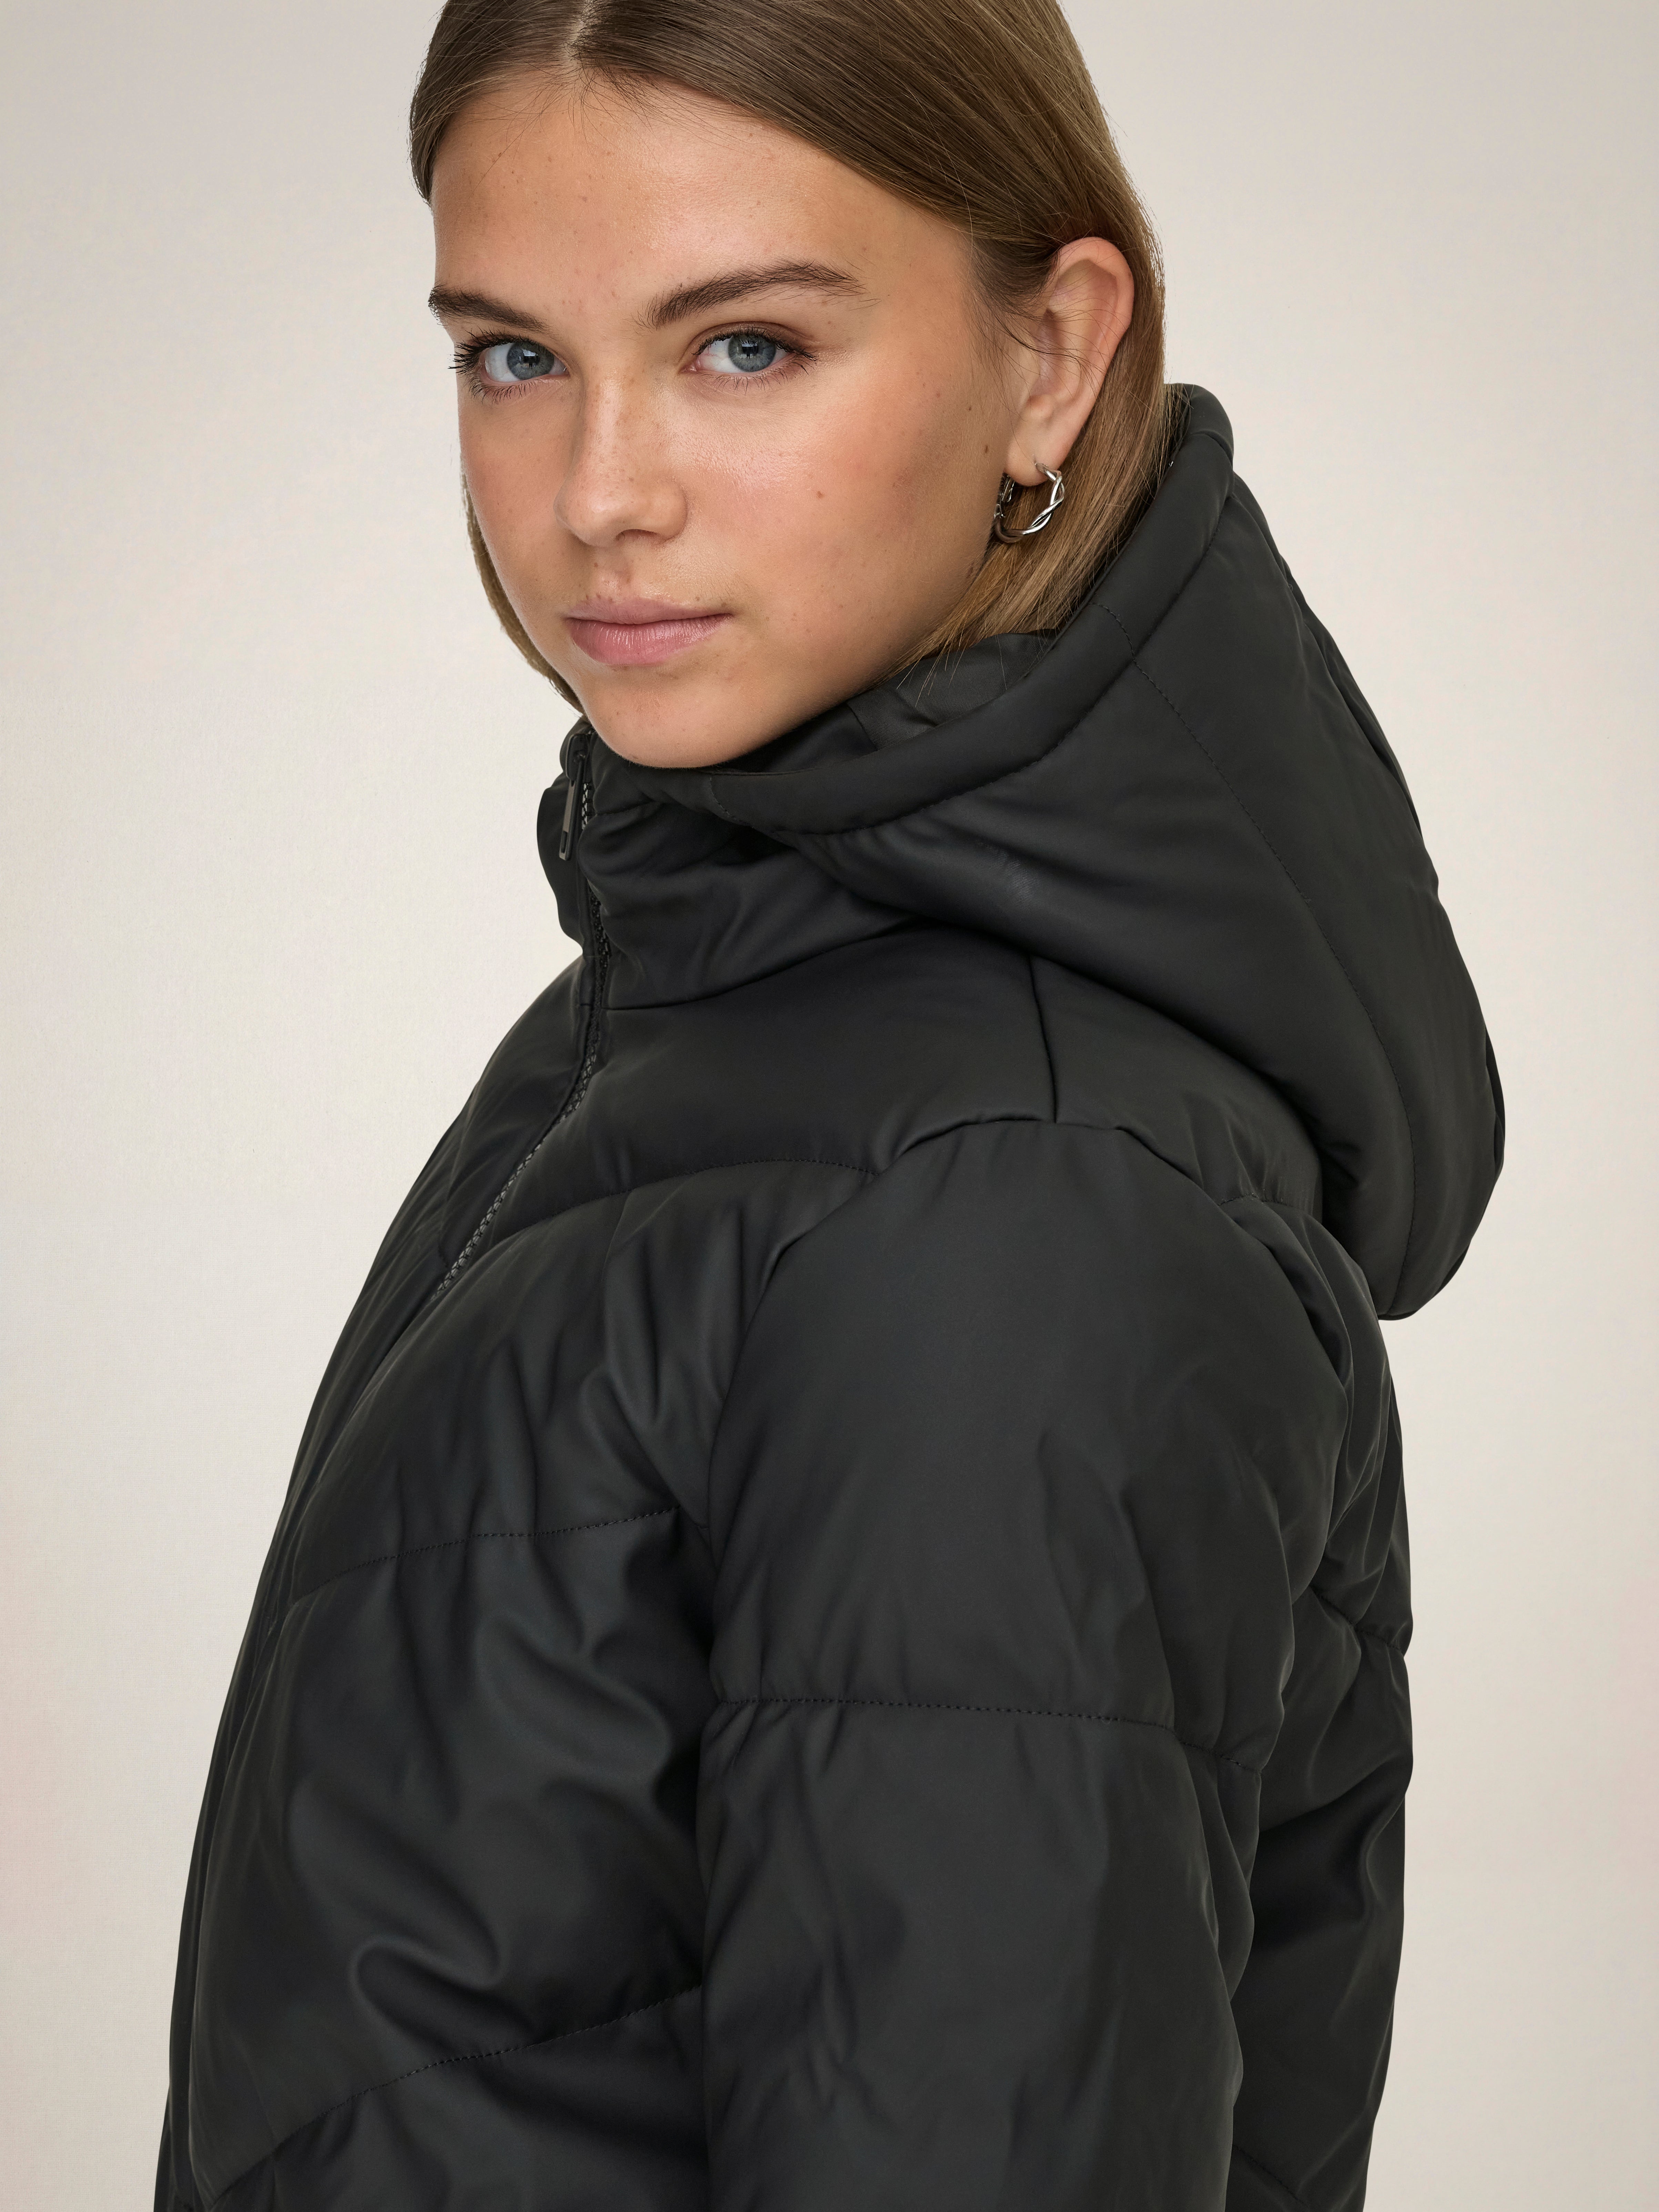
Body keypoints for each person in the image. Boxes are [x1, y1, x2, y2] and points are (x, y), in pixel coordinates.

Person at [156, 3, 1503, 2207]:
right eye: (514, 354)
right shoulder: (723, 999)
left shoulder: (1012, 1192)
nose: (601, 493)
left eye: (747, 347)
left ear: (1053, 357)